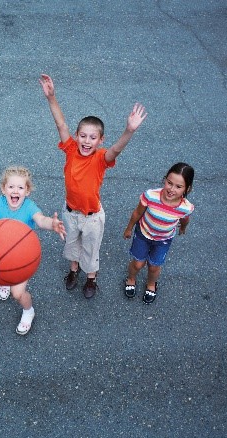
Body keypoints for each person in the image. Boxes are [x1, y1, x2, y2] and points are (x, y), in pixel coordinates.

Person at [39, 73, 147, 299]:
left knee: (91, 249)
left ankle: (91, 278)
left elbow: (116, 150)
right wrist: (51, 97)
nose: (87, 141)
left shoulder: (100, 159)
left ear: (101, 140)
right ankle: (73, 271)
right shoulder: (70, 149)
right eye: (83, 136)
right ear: (77, 136)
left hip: (92, 216)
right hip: (71, 213)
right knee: (72, 245)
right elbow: (61, 123)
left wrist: (129, 130)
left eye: (92, 138)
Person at [0, 166, 66, 335]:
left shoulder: (29, 207)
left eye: (20, 188)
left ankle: (28, 310)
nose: (15, 191)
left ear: (27, 191)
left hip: (21, 258)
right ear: (3, 189)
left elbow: (41, 220)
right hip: (0, 253)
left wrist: (52, 224)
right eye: (11, 187)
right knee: (0, 271)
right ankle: (4, 281)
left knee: (17, 293)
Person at [122, 162, 195, 303]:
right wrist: (129, 228)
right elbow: (137, 213)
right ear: (165, 179)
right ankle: (131, 278)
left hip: (163, 240)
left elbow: (185, 220)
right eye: (169, 183)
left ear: (187, 188)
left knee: (154, 266)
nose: (172, 189)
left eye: (179, 187)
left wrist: (183, 228)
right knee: (138, 263)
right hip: (143, 234)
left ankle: (151, 283)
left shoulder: (186, 208)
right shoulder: (151, 196)